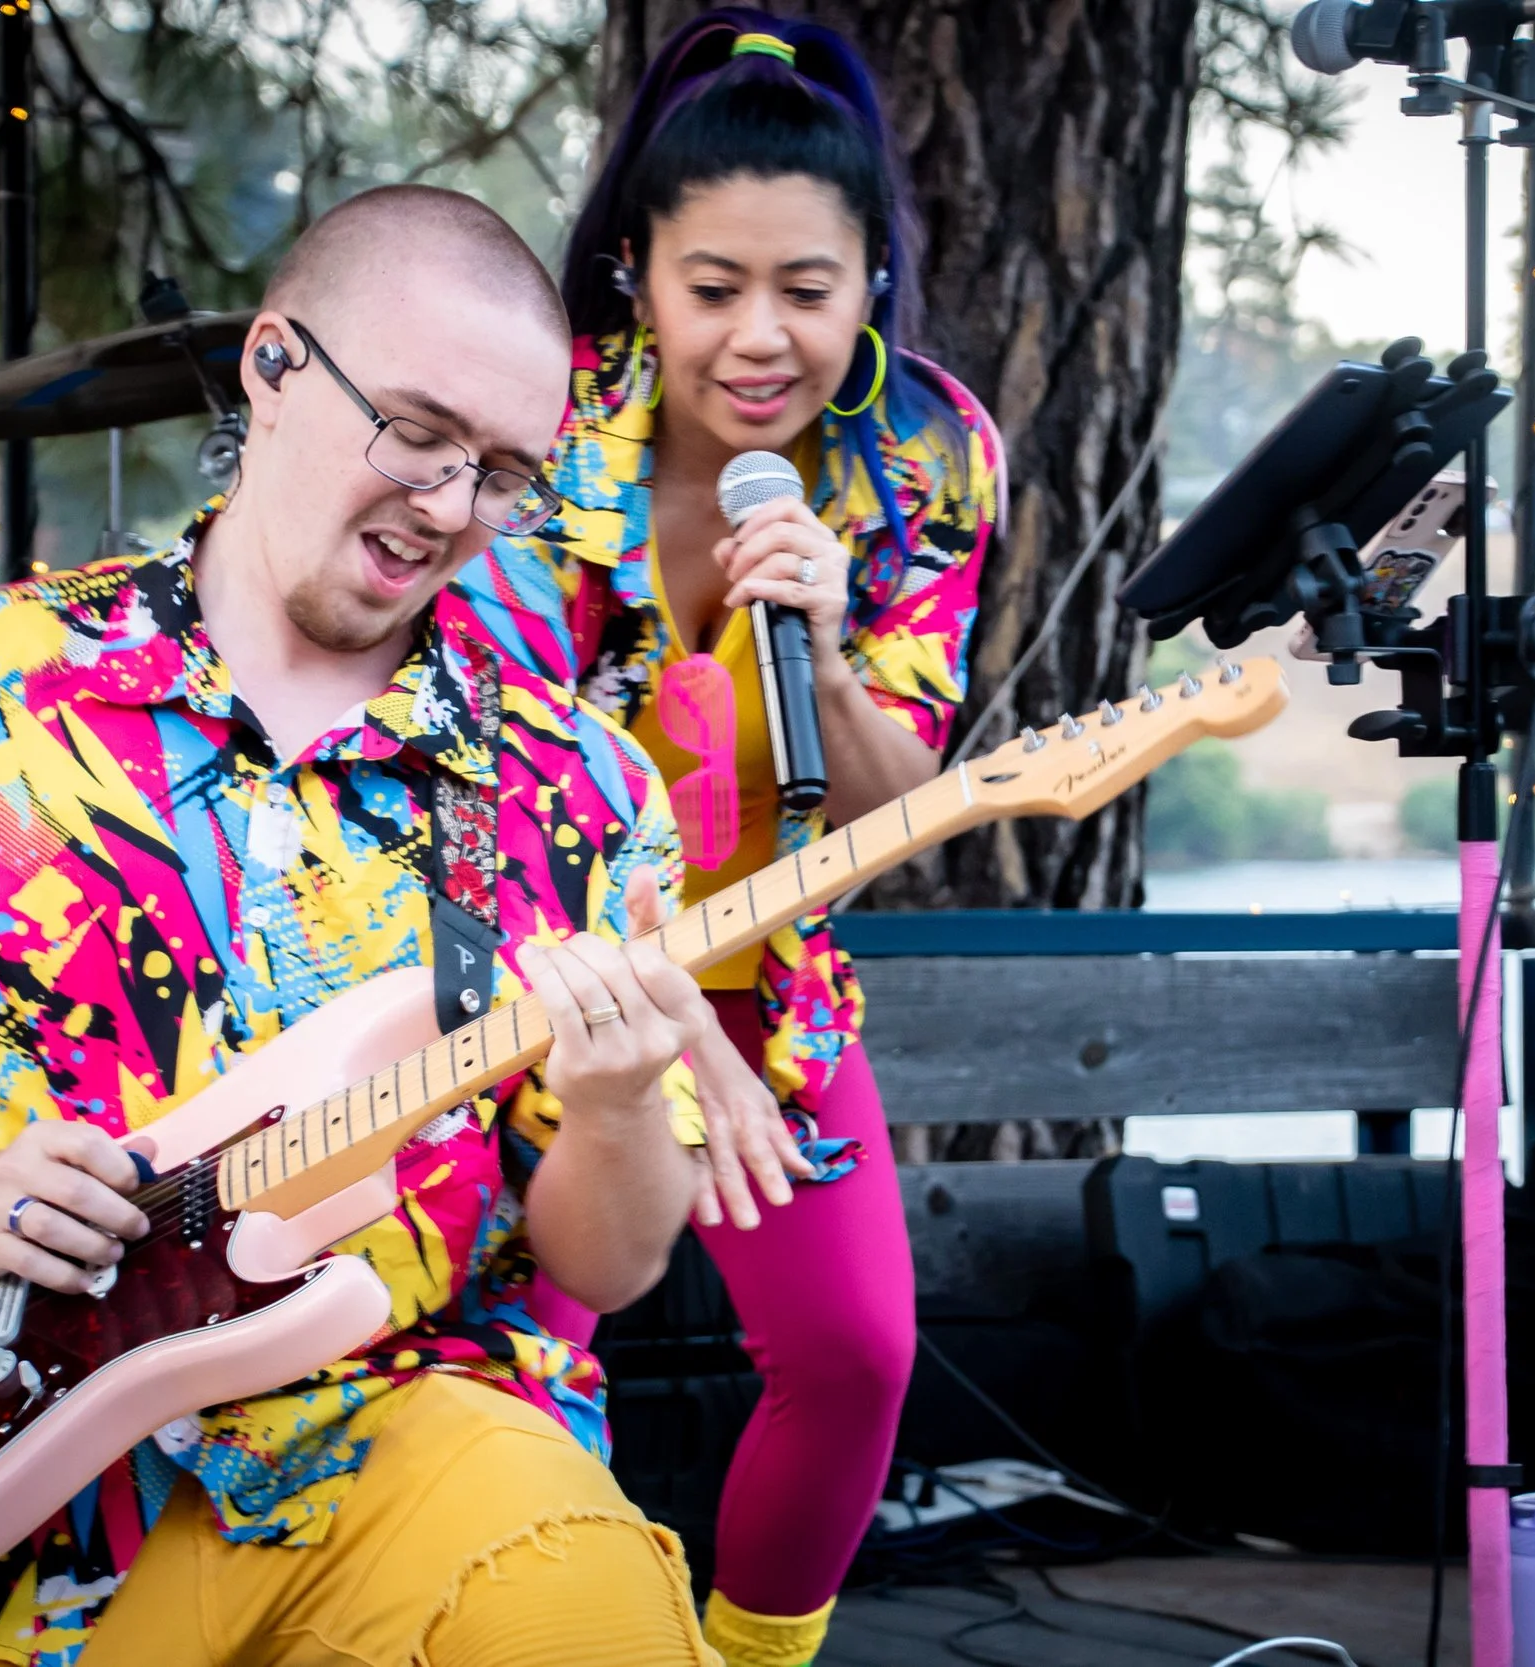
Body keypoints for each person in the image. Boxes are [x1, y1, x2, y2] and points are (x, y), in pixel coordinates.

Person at [0, 184, 734, 1667]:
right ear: (272, 364)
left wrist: (621, 1092)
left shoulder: (578, 786)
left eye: (505, 471)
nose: (452, 506)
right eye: (418, 432)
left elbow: (609, 1256)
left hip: (390, 1443)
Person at [458, 13, 1001, 1665]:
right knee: (518, 1360)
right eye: (715, 289)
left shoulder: (924, 450)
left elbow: (899, 807)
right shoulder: (532, 429)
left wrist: (827, 656)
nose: (762, 338)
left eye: (809, 289)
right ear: (636, 269)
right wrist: (674, 1041)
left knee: (854, 1354)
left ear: (870, 281)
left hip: (772, 960)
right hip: (521, 976)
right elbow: (494, 798)